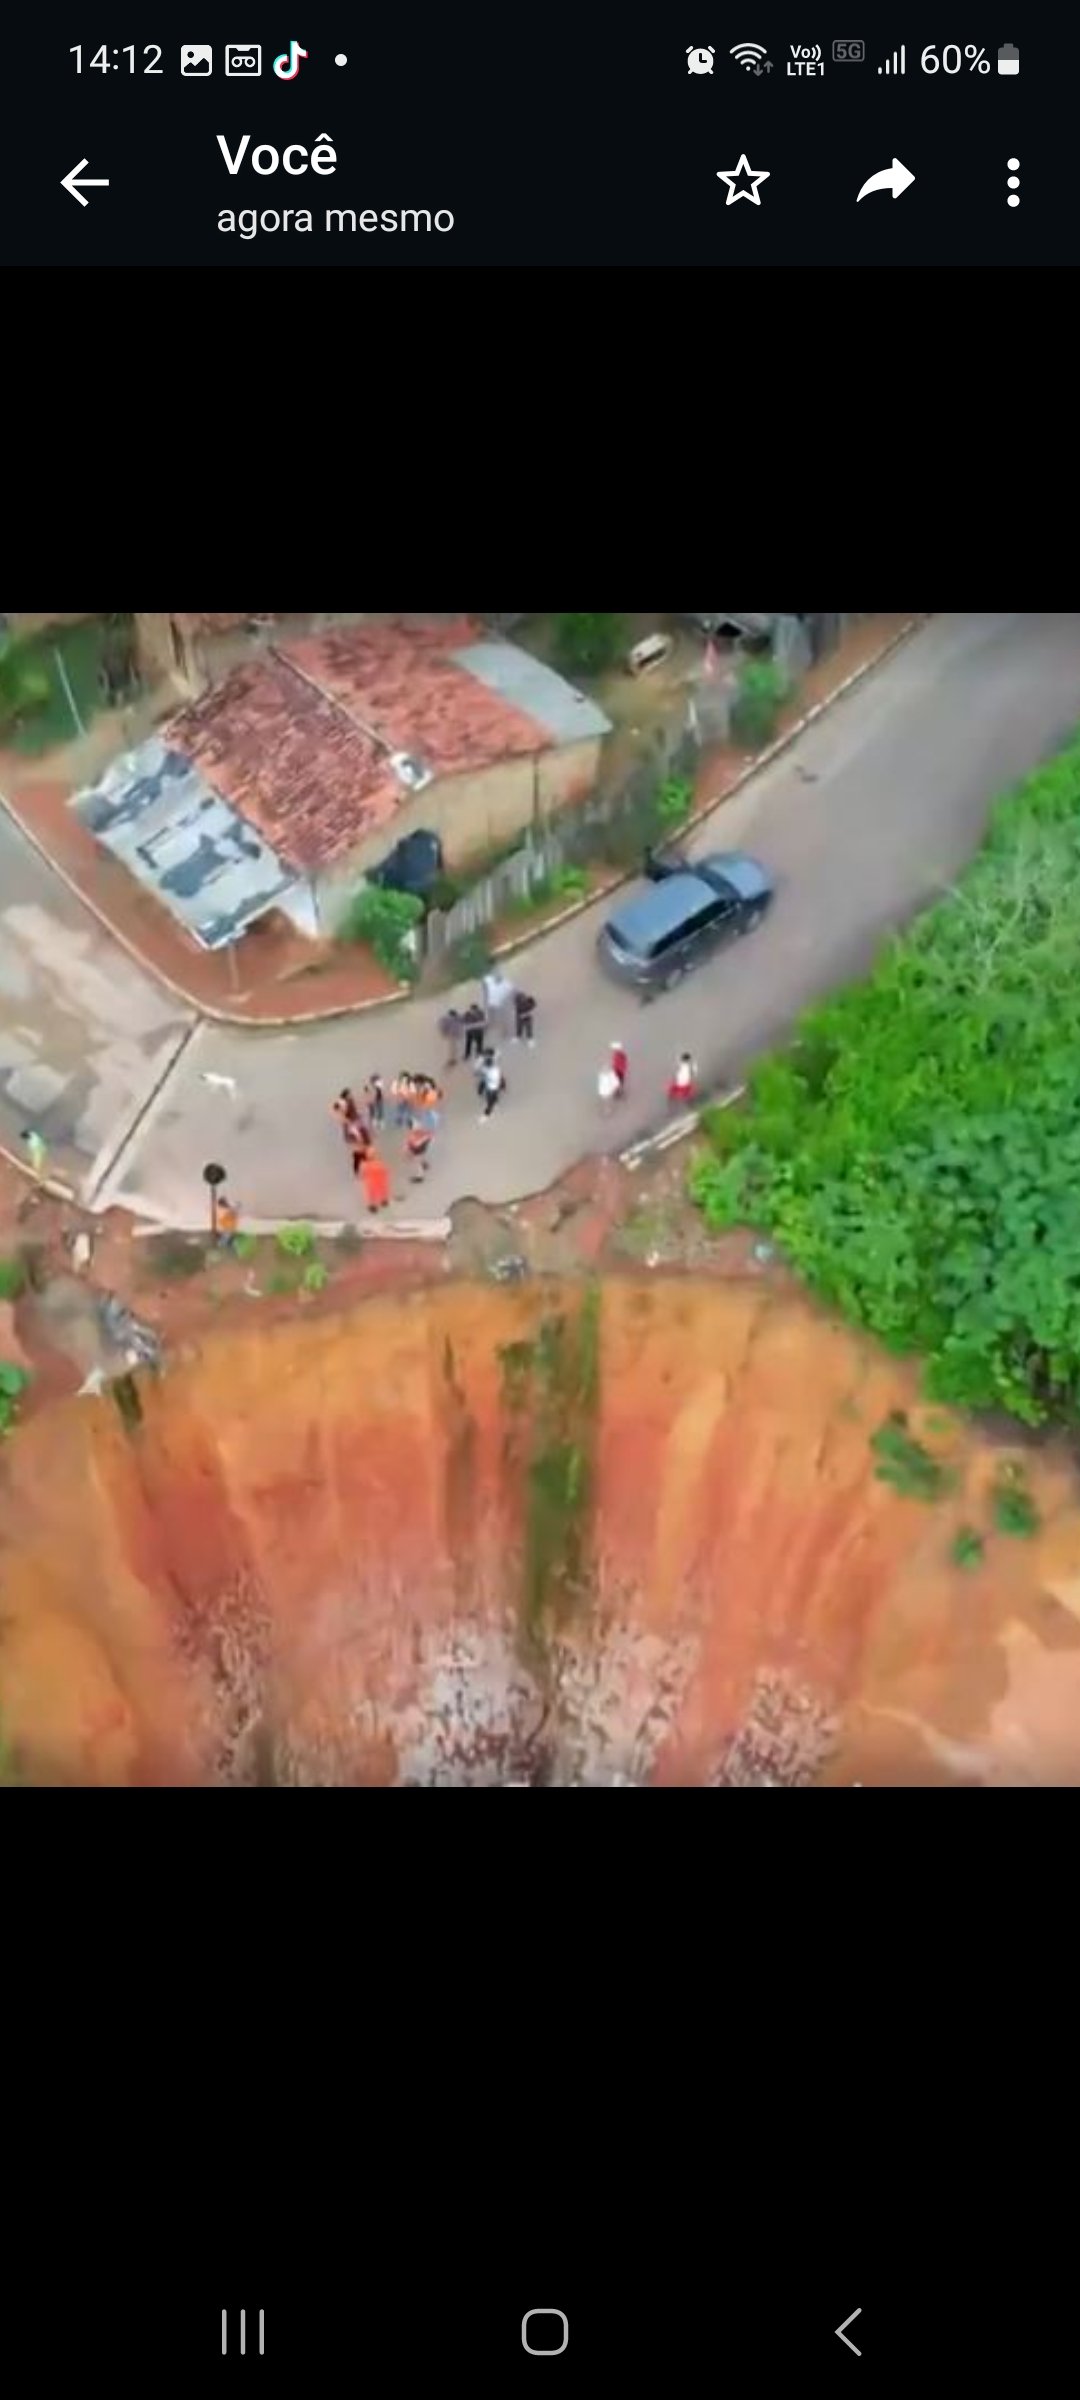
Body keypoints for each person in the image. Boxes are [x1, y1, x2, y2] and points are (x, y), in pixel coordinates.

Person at [482, 966, 514, 1039]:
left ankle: (504, 1031)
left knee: (501, 1017)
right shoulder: (488, 980)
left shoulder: (505, 983)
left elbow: (511, 992)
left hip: (499, 1003)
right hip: (492, 1002)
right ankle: (490, 1027)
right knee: (491, 1016)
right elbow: (484, 988)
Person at [478, 1049, 505, 1122]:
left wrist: (480, 1089)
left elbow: (500, 1079)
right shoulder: (494, 1068)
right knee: (494, 1096)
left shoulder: (493, 1071)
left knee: (489, 1102)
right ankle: (495, 1102)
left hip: (491, 1088)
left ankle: (486, 1115)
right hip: (492, 1088)